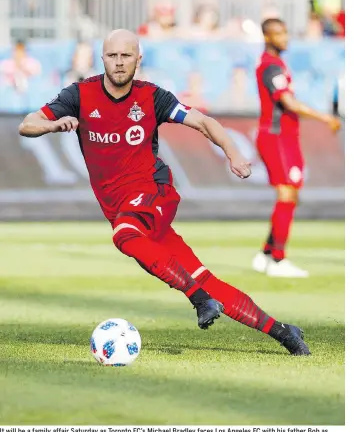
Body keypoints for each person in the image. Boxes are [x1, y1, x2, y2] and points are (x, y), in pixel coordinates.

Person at [19, 29, 310, 355]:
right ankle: (284, 332)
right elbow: (27, 123)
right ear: (102, 59)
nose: (118, 63)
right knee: (203, 277)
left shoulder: (152, 97)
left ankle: (198, 299)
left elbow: (202, 122)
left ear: (138, 59)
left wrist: (232, 150)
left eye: (125, 56)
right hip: (122, 207)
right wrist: (51, 125)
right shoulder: (80, 95)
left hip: (154, 191)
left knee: (124, 235)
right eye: (112, 56)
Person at [252, 19, 341, 278]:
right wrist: (325, 118)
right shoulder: (271, 67)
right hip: (276, 137)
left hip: (285, 137)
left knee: (291, 195)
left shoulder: (276, 64)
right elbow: (288, 103)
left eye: (285, 31)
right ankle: (278, 260)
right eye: (278, 33)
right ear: (267, 37)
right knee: (287, 195)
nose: (285, 37)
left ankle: (266, 253)